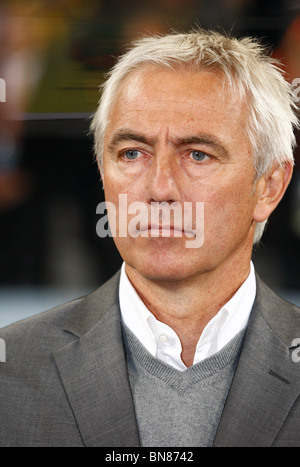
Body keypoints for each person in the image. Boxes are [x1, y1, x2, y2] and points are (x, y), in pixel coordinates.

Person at [0, 29, 300, 448]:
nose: (159, 188)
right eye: (132, 153)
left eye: (198, 154)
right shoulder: (9, 372)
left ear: (269, 186)